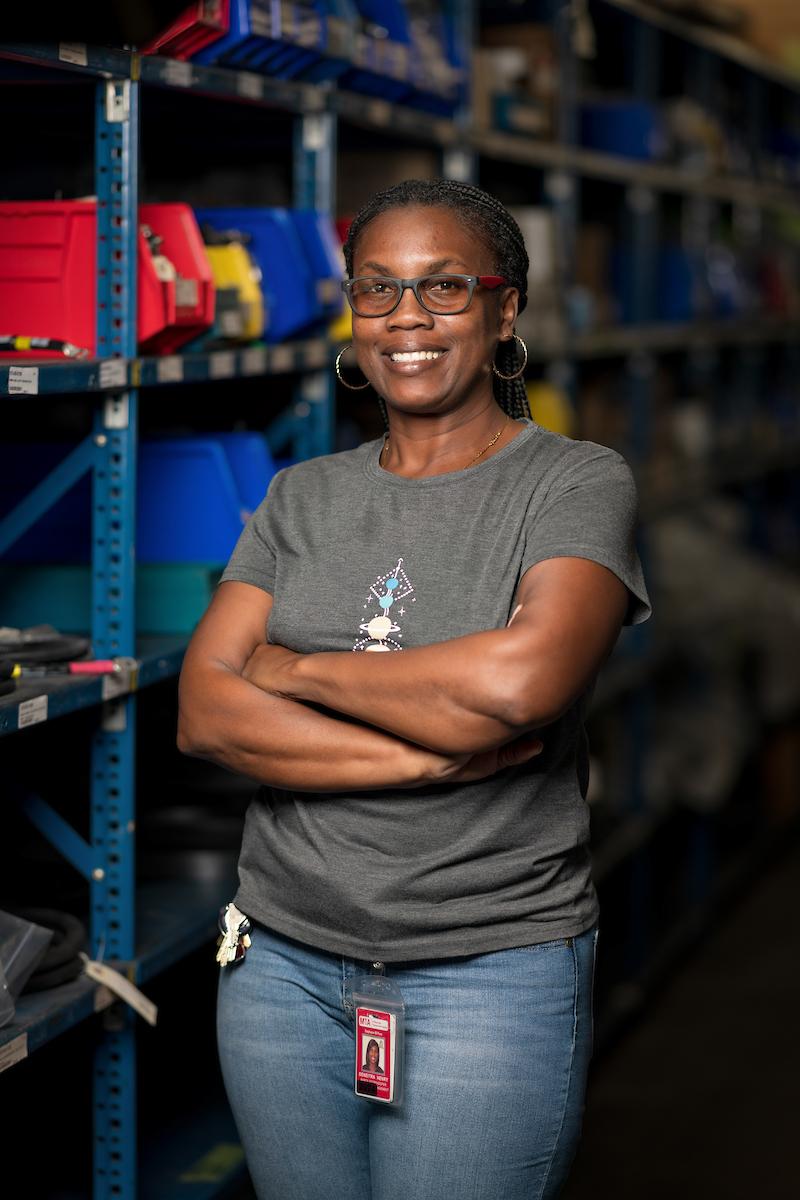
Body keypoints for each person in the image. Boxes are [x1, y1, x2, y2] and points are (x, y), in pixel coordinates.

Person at [177, 178, 651, 1200]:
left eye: (443, 288)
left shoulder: (571, 483)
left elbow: (521, 684)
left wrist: (294, 671)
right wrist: (427, 753)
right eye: (377, 289)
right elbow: (206, 713)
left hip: (488, 969)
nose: (406, 320)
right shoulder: (301, 495)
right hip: (281, 967)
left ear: (502, 307)